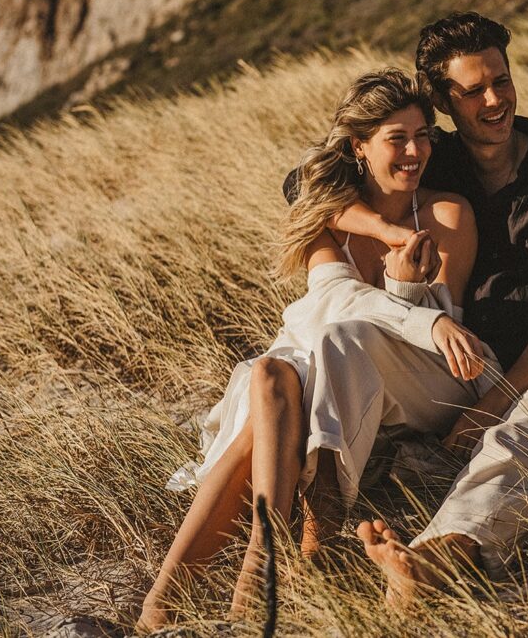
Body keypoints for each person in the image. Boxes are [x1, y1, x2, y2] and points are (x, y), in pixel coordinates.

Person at [137, 68, 494, 632]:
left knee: (329, 344)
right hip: (333, 369)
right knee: (273, 374)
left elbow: (441, 338)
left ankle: (287, 549)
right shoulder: (324, 215)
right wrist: (396, 263)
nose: (415, 150)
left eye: (422, 134)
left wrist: (407, 294)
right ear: (359, 146)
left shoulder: (448, 213)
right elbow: (334, 295)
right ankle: (201, 587)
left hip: (429, 380)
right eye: (396, 138)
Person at [286, 12, 528, 596]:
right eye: (473, 90)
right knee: (343, 340)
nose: (495, 100)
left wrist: (488, 408)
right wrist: (386, 234)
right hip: (445, 362)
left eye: (502, 81)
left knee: (518, 435)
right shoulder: (431, 154)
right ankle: (321, 531)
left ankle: (437, 558)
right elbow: (300, 186)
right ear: (441, 100)